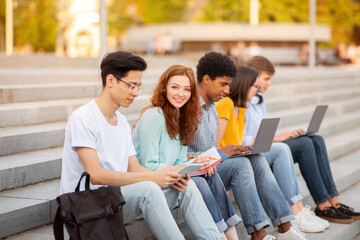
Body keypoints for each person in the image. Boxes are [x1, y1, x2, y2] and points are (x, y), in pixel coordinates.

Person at [59, 51, 221, 240]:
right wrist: (152, 178)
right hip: (85, 203)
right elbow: (96, 175)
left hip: (116, 197)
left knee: (186, 187)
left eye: (138, 86)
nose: (135, 93)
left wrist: (168, 177)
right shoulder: (84, 118)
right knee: (149, 189)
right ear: (111, 80)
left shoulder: (121, 122)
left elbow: (134, 168)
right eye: (131, 86)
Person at [189, 51, 307, 240]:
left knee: (256, 158)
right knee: (243, 164)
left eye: (229, 85)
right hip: (198, 171)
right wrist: (223, 152)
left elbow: (212, 150)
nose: (227, 90)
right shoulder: (194, 107)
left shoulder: (212, 107)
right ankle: (259, 234)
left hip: (210, 166)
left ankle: (284, 227)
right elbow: (190, 153)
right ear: (206, 79)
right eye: (223, 84)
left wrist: (228, 151)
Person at [246, 55, 360, 224]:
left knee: (316, 139)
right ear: (253, 76)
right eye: (266, 79)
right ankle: (323, 205)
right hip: (257, 151)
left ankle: (334, 202)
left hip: (268, 145)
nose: (269, 83)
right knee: (305, 144)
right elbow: (243, 137)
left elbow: (263, 132)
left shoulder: (259, 100)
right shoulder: (242, 101)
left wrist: (285, 135)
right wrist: (278, 138)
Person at [132, 65, 241, 239]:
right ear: (164, 88)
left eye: (187, 89)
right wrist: (190, 166)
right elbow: (148, 165)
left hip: (168, 181)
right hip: (146, 185)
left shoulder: (182, 119)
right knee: (194, 184)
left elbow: (179, 161)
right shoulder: (154, 117)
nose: (180, 94)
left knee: (198, 179)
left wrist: (192, 168)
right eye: (175, 87)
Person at [216, 65, 328, 233]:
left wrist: (246, 149)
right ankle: (279, 223)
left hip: (236, 156)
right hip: (224, 160)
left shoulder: (242, 107)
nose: (257, 90)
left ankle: (285, 224)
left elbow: (236, 141)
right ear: (245, 85)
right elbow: (215, 146)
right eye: (255, 86)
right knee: (271, 154)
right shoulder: (226, 104)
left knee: (259, 158)